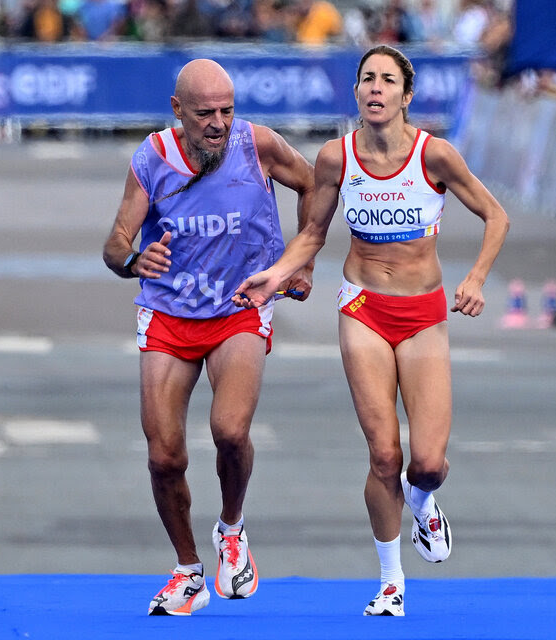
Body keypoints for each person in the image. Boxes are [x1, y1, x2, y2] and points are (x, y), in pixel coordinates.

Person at [233, 44, 509, 616]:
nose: (375, 88)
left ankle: (424, 502)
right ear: (357, 93)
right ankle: (390, 581)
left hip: (424, 313)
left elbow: (495, 215)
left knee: (425, 463)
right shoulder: (336, 158)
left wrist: (477, 278)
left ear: (406, 96)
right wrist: (275, 275)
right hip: (363, 308)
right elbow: (314, 234)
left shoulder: (437, 157)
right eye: (366, 80)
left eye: (387, 80)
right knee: (384, 455)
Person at [103, 58, 314, 616]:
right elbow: (115, 241)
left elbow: (316, 186)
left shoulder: (259, 145)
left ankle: (232, 529)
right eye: (205, 114)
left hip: (239, 304)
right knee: (164, 456)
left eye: (227, 110)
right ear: (178, 111)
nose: (219, 124)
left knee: (229, 429)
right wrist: (133, 259)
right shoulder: (151, 158)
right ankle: (188, 569)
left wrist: (299, 261)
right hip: (169, 312)